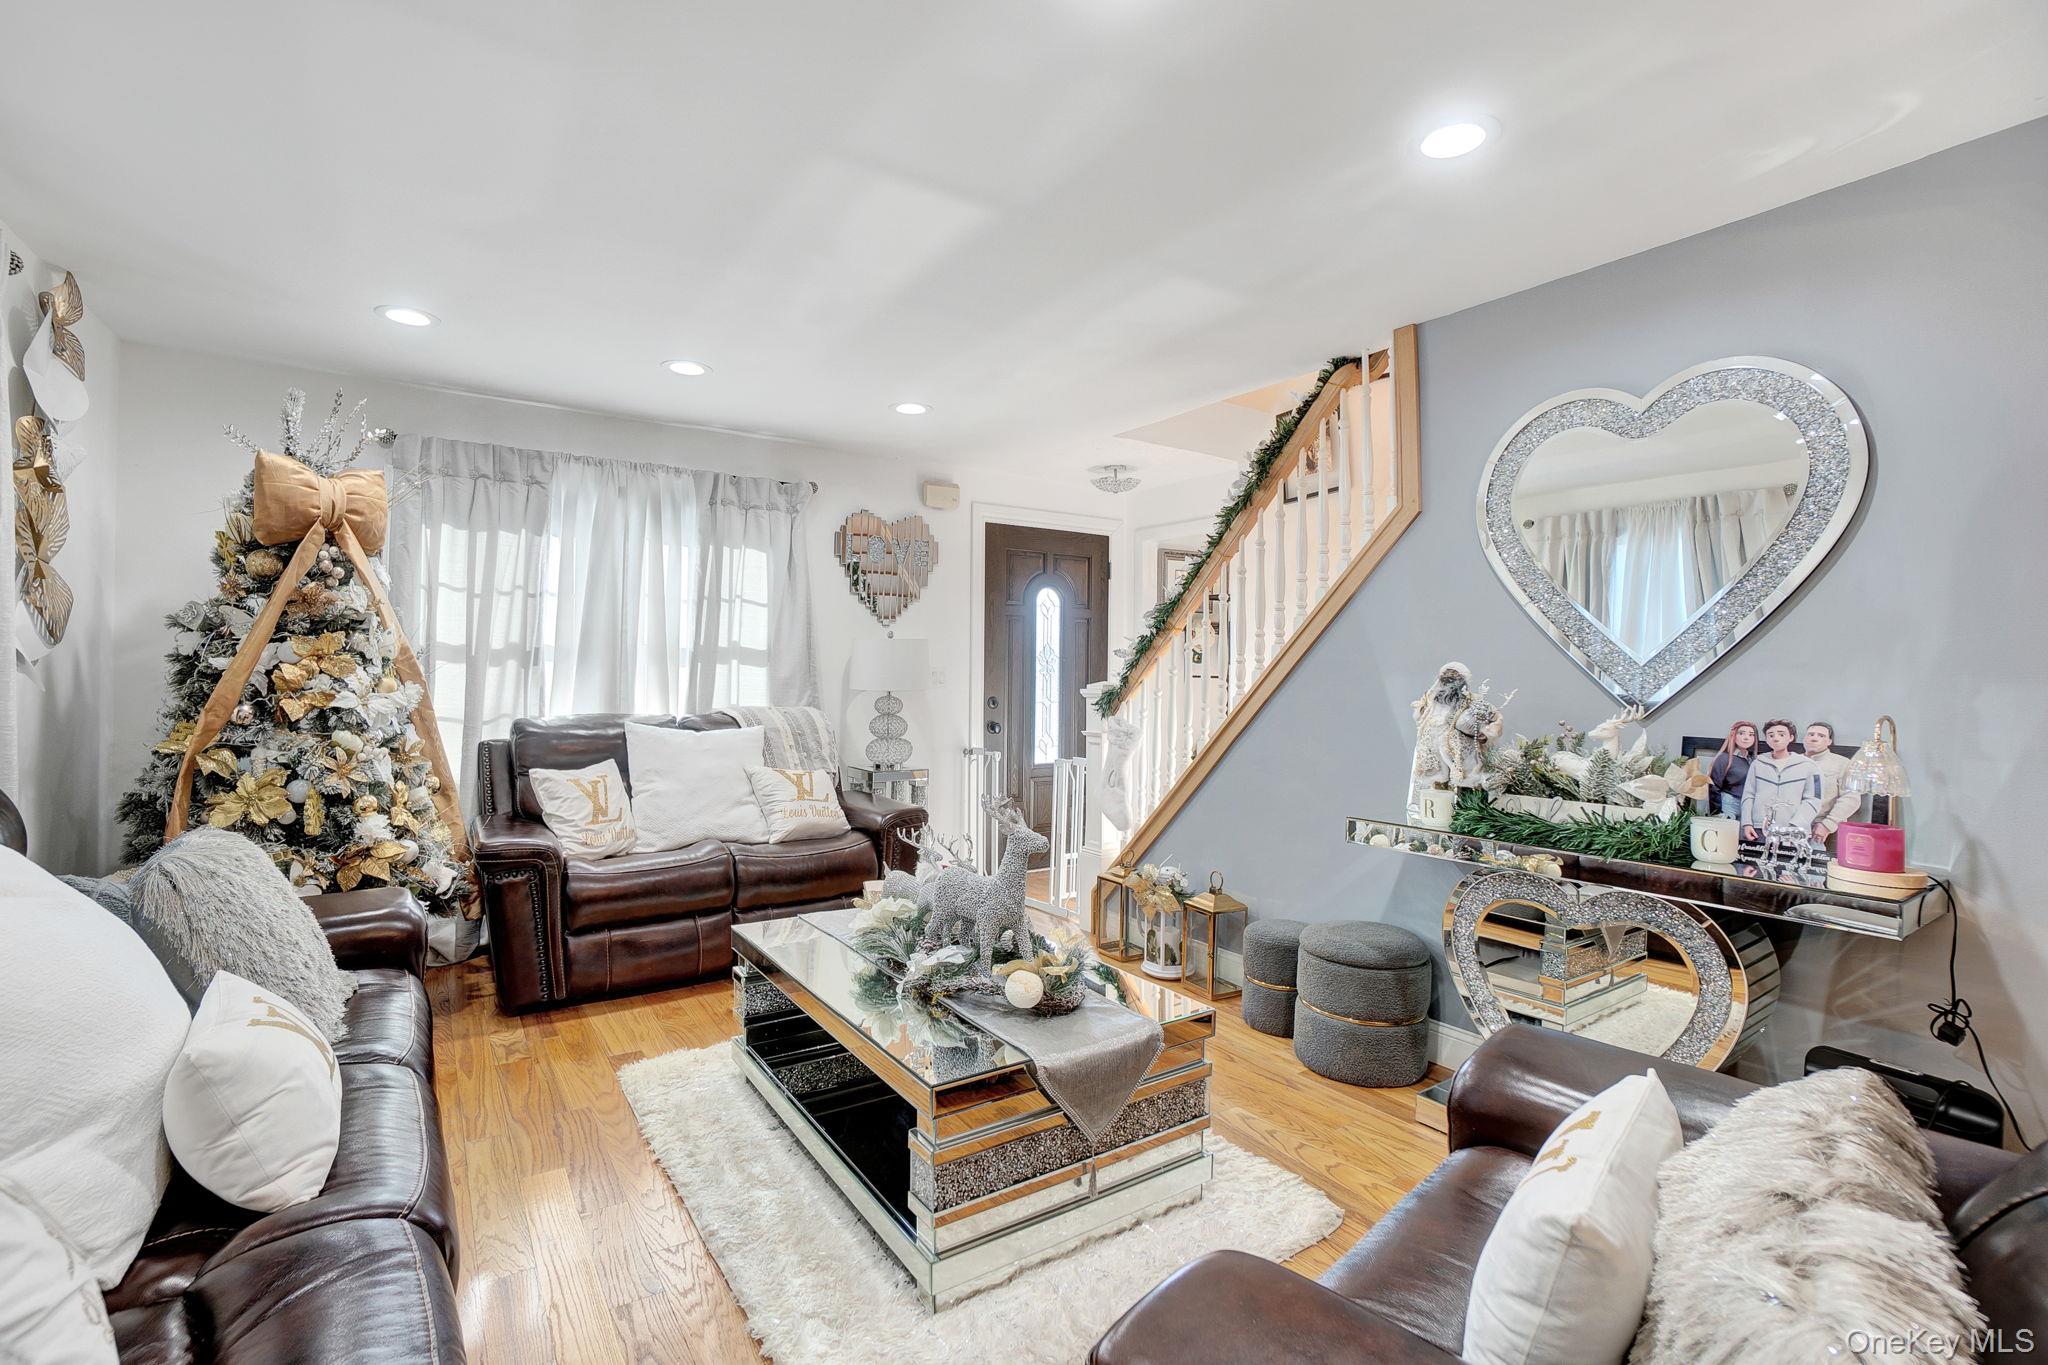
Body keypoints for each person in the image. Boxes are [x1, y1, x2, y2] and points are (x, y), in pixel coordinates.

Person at [1741, 719, 1821, 840]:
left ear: (1791, 737)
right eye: (1771, 735)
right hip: (1760, 828)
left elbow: (1814, 799)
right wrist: (1747, 823)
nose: (1776, 738)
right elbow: (1748, 794)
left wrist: (1796, 824)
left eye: (1781, 734)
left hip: (1794, 831)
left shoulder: (1809, 766)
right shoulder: (1758, 763)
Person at [1804, 720, 1859, 844]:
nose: (1814, 738)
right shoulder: (1793, 761)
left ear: (1829, 741)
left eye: (1821, 735)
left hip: (1827, 830)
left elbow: (1851, 798)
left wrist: (1828, 824)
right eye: (1810, 734)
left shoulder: (1843, 763)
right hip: (1795, 829)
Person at [1707, 721, 1759, 818]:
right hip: (1729, 805)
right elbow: (1714, 786)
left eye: (1751, 735)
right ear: (1733, 735)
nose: (1746, 737)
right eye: (1741, 733)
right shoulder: (1723, 758)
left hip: (1748, 806)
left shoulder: (1753, 760)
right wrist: (1717, 812)